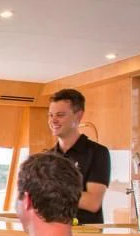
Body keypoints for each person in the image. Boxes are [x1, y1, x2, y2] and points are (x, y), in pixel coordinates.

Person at [47, 88, 110, 224]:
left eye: (60, 115)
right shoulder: (47, 157)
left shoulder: (98, 152)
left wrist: (50, 189)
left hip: (86, 233)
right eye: (51, 115)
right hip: (53, 231)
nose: (53, 120)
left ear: (78, 116)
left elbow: (92, 203)